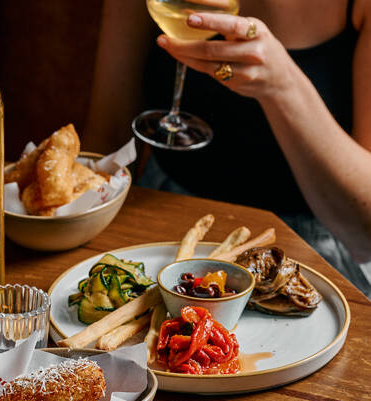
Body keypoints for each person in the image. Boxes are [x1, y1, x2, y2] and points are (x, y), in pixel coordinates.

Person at [89, 0, 371, 295]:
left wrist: (283, 87)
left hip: (310, 256)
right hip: (159, 217)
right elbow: (108, 131)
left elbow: (366, 231)